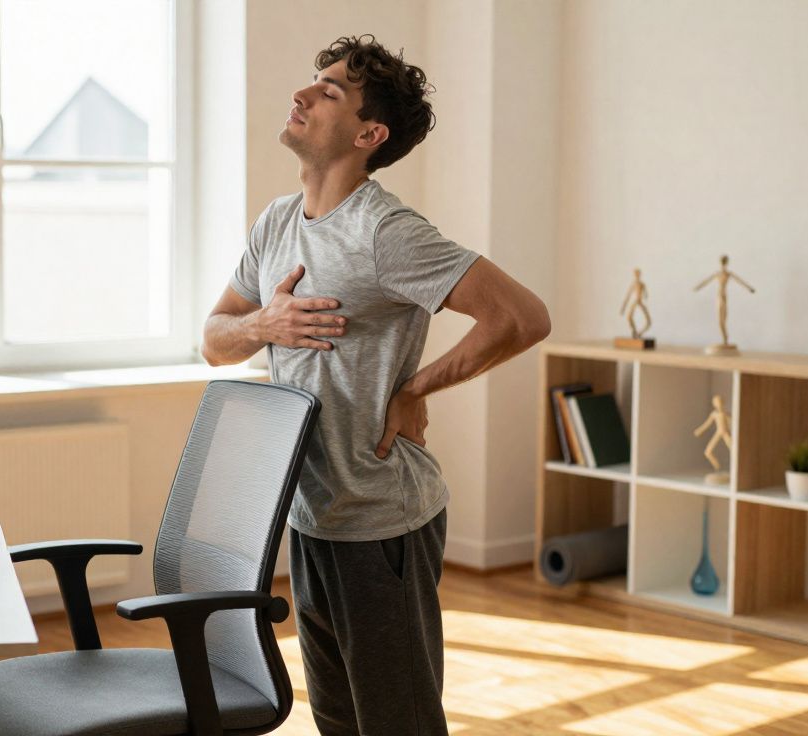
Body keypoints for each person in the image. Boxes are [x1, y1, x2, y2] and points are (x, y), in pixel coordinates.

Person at [200, 35, 551, 735]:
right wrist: (263, 324)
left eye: (329, 91)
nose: (303, 94)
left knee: (398, 722)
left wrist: (415, 389)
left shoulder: (384, 232)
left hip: (382, 516)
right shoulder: (276, 223)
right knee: (338, 720)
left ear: (369, 134)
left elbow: (521, 317)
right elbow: (213, 340)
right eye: (312, 81)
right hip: (307, 512)